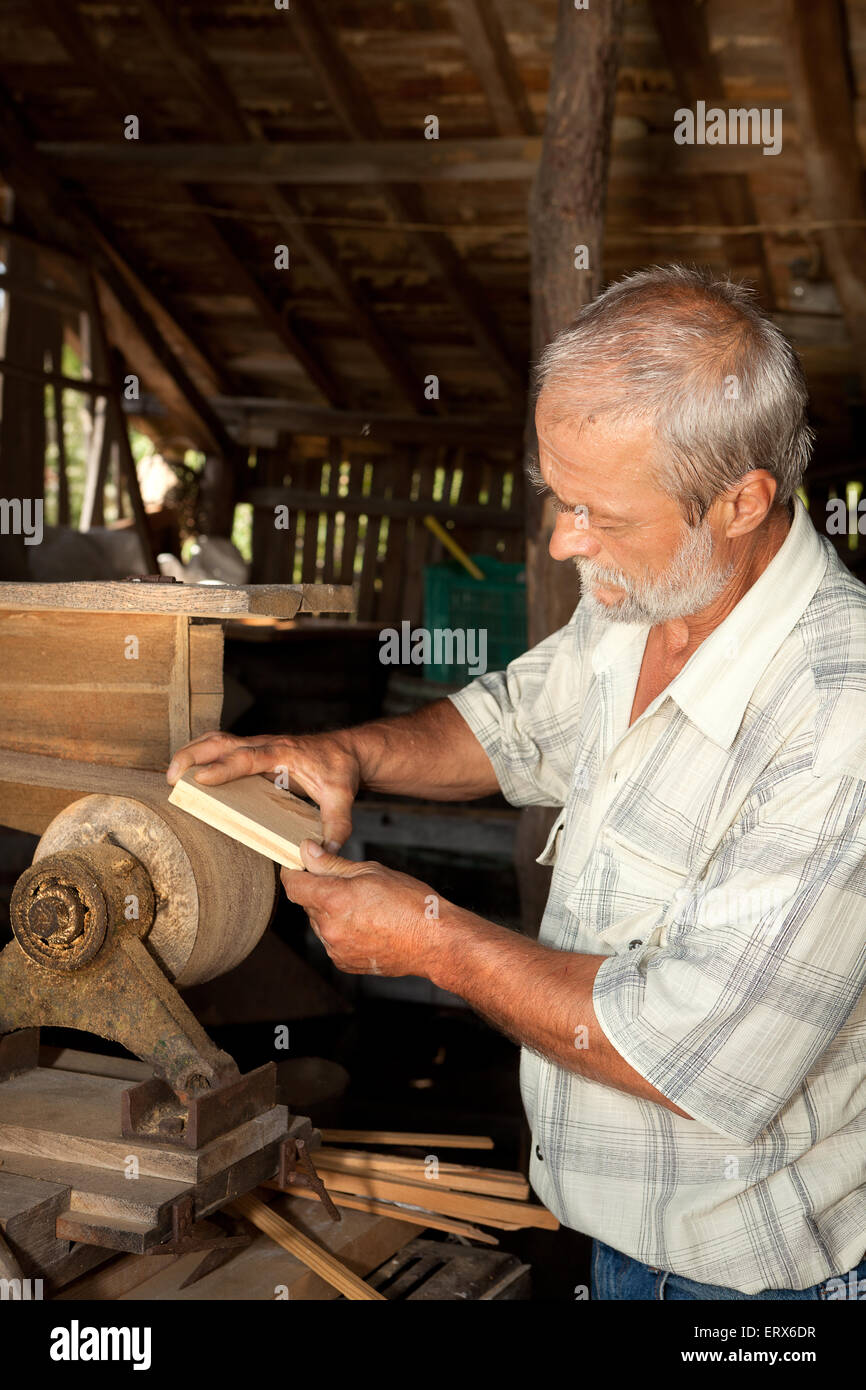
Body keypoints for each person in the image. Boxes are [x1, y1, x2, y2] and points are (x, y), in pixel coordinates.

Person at [167, 266, 866, 1301]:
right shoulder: (649, 592)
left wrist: (433, 941)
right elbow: (508, 724)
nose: (559, 541)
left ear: (741, 501)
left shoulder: (836, 718)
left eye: (595, 512)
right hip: (615, 1234)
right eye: (554, 495)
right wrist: (344, 752)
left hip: (750, 1285)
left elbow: (689, 1052)